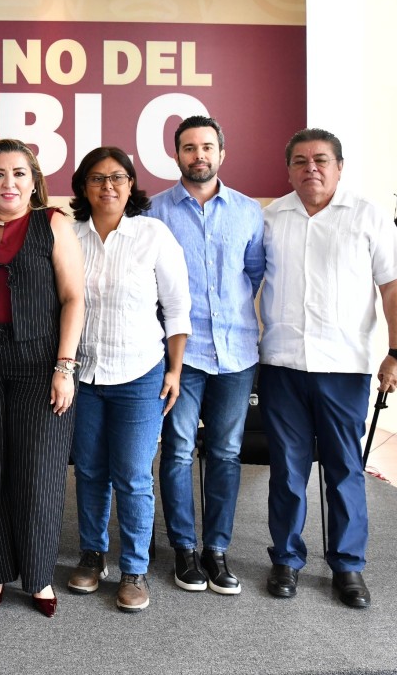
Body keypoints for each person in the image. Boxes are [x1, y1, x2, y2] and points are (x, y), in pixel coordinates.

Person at [260, 128, 397, 609]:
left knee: (344, 468)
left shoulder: (366, 217)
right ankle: (286, 558)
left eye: (321, 159)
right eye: (301, 161)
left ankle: (348, 565)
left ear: (339, 166)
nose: (312, 168)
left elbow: (394, 288)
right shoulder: (271, 218)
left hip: (343, 368)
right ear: (288, 169)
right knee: (286, 470)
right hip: (281, 365)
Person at [0, 139, 84, 617]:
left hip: (40, 363)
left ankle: (39, 576)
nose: (9, 183)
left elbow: (74, 299)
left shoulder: (54, 225)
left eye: (19, 173)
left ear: (35, 180)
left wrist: (65, 368)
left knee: (39, 472)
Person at [66, 146, 190, 613]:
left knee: (134, 476)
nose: (108, 187)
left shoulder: (152, 234)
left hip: (140, 373)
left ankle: (134, 568)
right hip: (84, 374)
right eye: (97, 179)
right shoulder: (70, 235)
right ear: (83, 187)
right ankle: (92, 556)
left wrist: (175, 369)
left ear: (131, 185)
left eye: (118, 178)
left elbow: (178, 308)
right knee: (92, 471)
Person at [147, 115, 264, 595]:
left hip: (236, 353)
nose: (200, 155)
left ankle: (217, 550)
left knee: (225, 452)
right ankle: (185, 550)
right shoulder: (154, 211)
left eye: (207, 147)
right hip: (182, 355)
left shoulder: (248, 210)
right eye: (190, 148)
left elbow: (251, 274)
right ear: (176, 155)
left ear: (222, 153)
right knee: (176, 451)